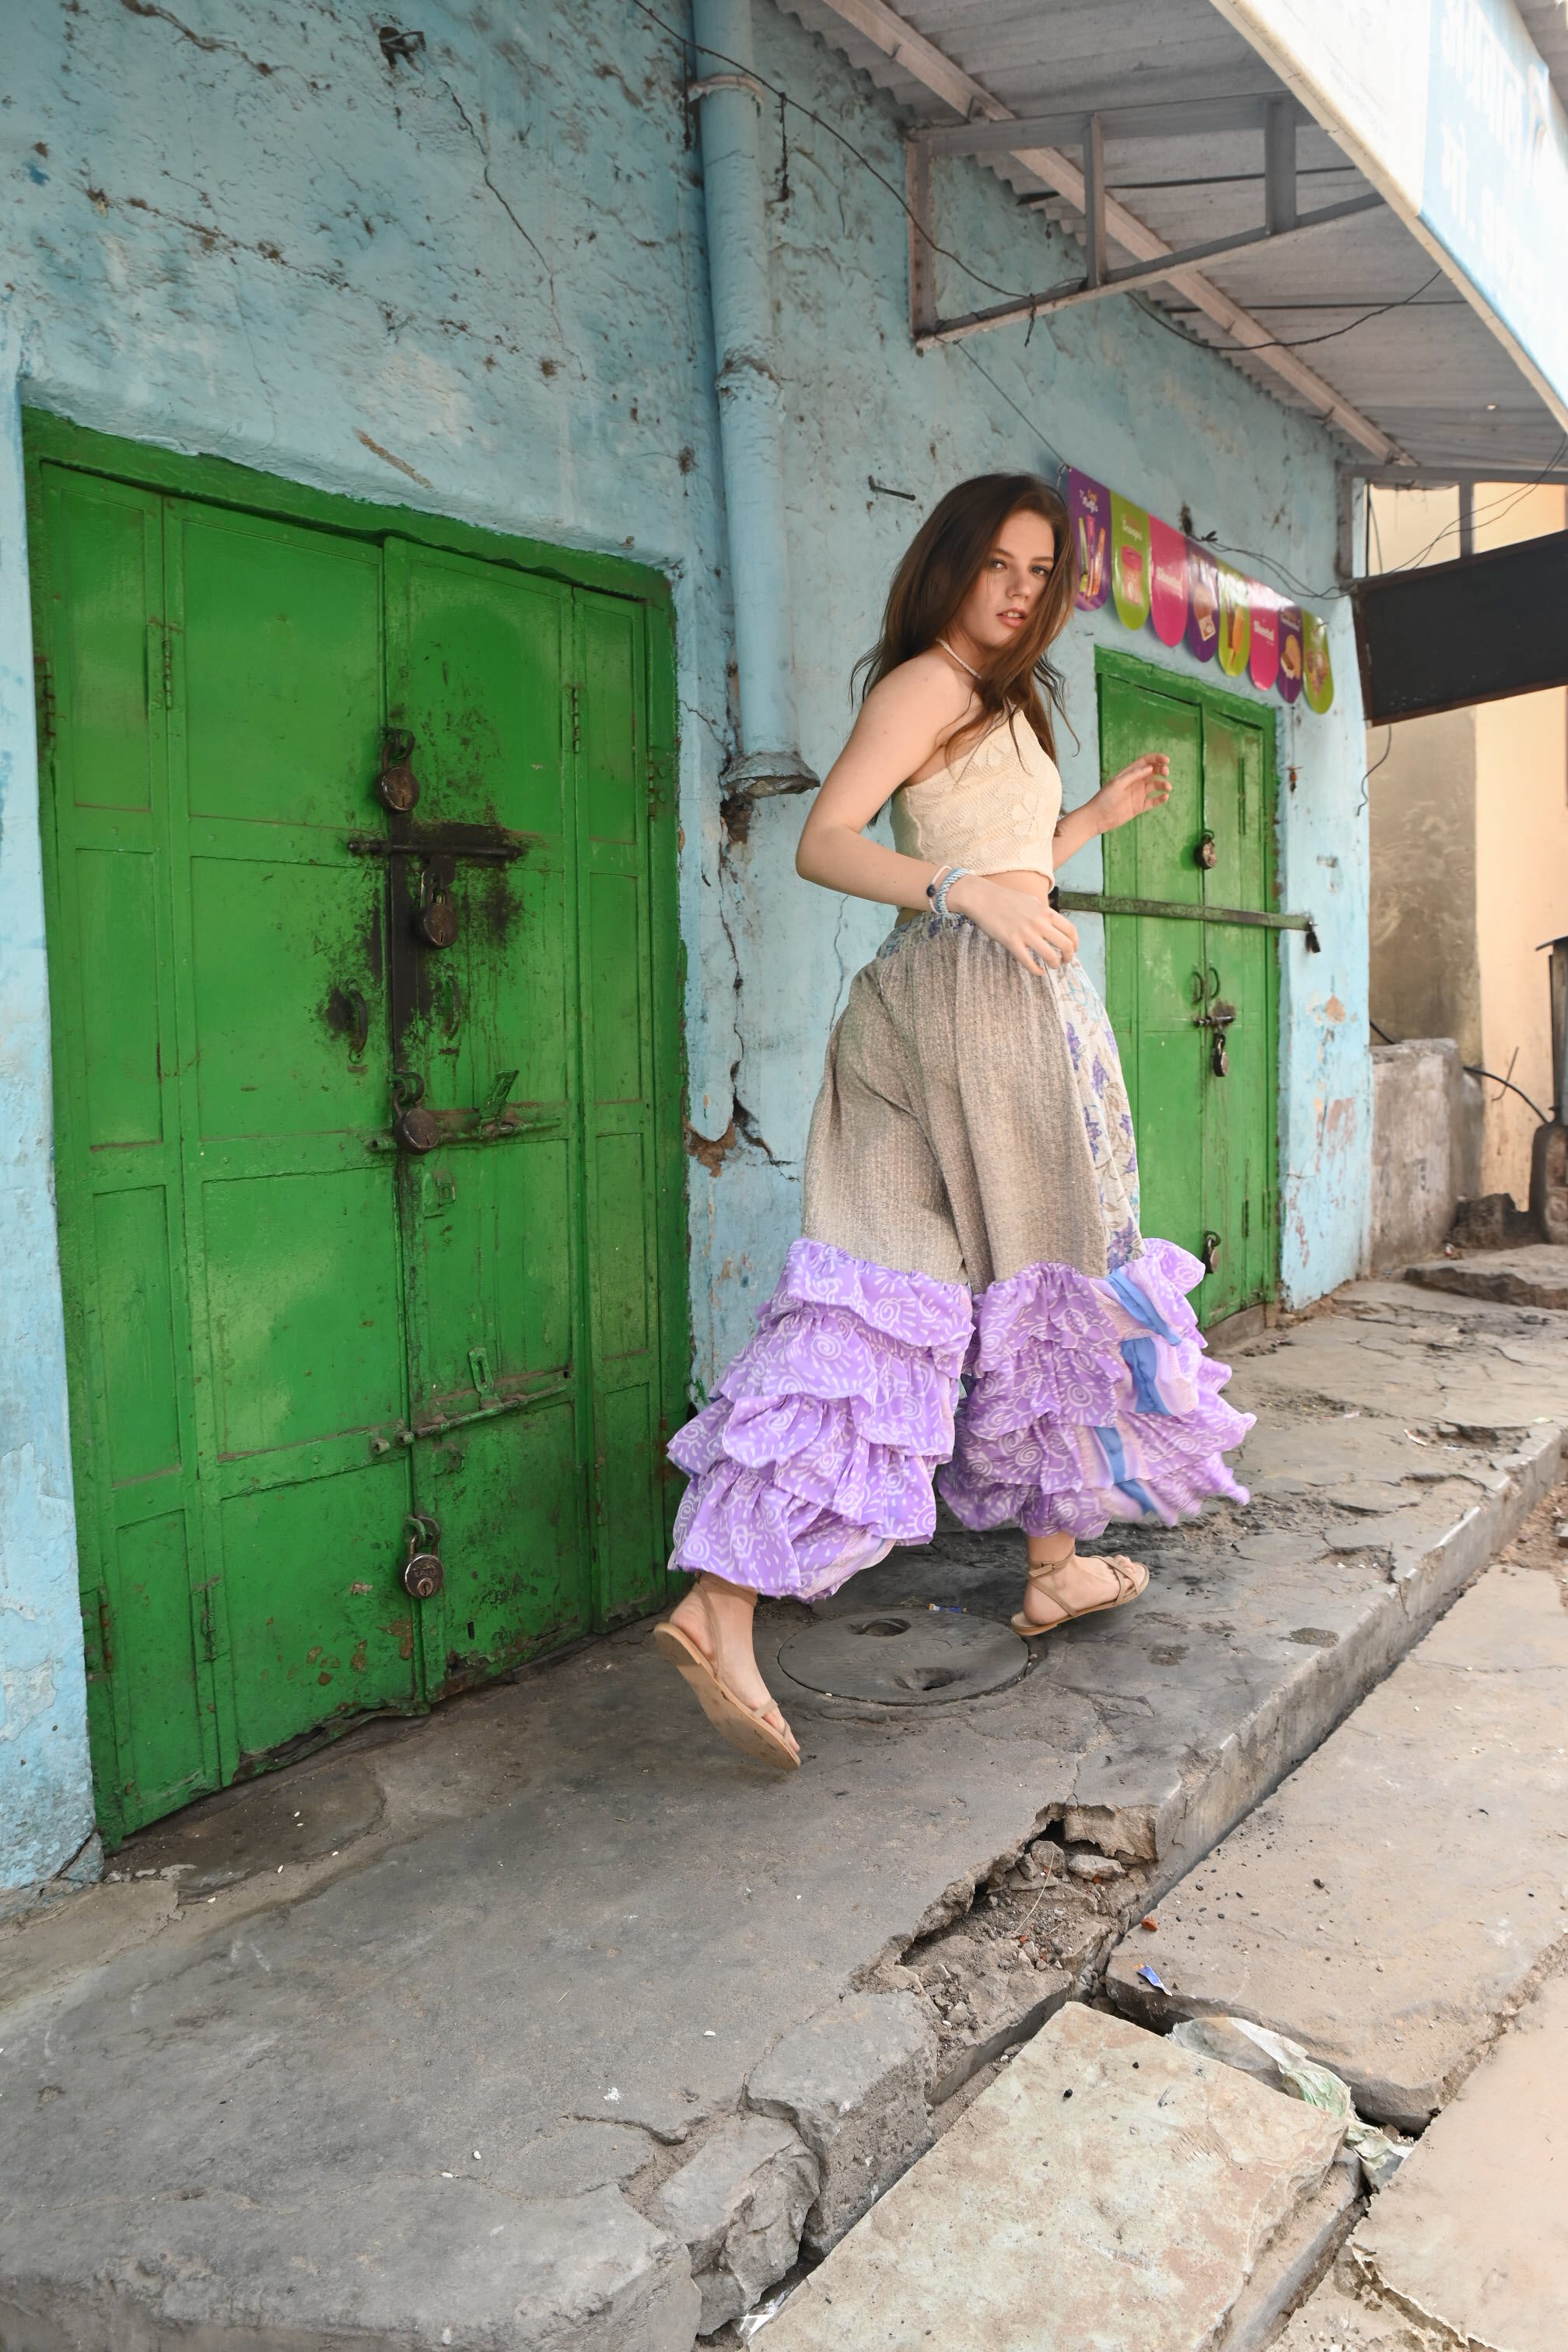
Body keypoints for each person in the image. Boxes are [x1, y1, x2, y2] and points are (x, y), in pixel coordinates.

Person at [655, 473, 1253, 1769]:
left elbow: (1008, 861)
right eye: (998, 564)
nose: (1020, 591)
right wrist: (960, 892)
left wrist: (1091, 820)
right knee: (1021, 1280)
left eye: (1042, 573)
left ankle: (1001, 1572)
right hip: (977, 1012)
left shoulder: (1002, 699)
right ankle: (761, 1587)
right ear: (951, 563)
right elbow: (827, 842)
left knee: (902, 1291)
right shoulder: (927, 681)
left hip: (952, 1004)